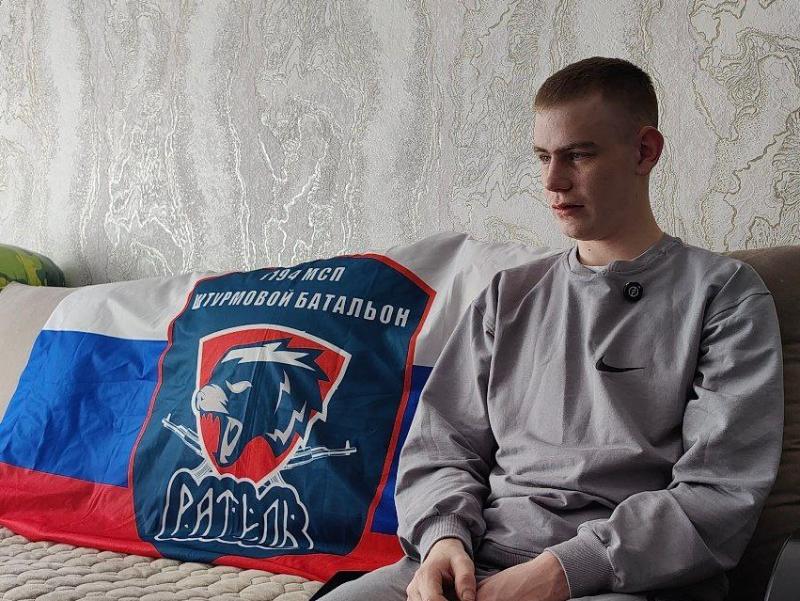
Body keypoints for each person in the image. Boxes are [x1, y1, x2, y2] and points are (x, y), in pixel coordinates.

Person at [316, 57, 784, 601]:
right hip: (475, 560)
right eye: (543, 157)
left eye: (579, 155)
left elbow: (719, 493)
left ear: (645, 151)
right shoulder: (507, 295)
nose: (553, 182)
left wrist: (561, 572)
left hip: (621, 578)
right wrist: (443, 539)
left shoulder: (724, 294)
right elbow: (442, 445)